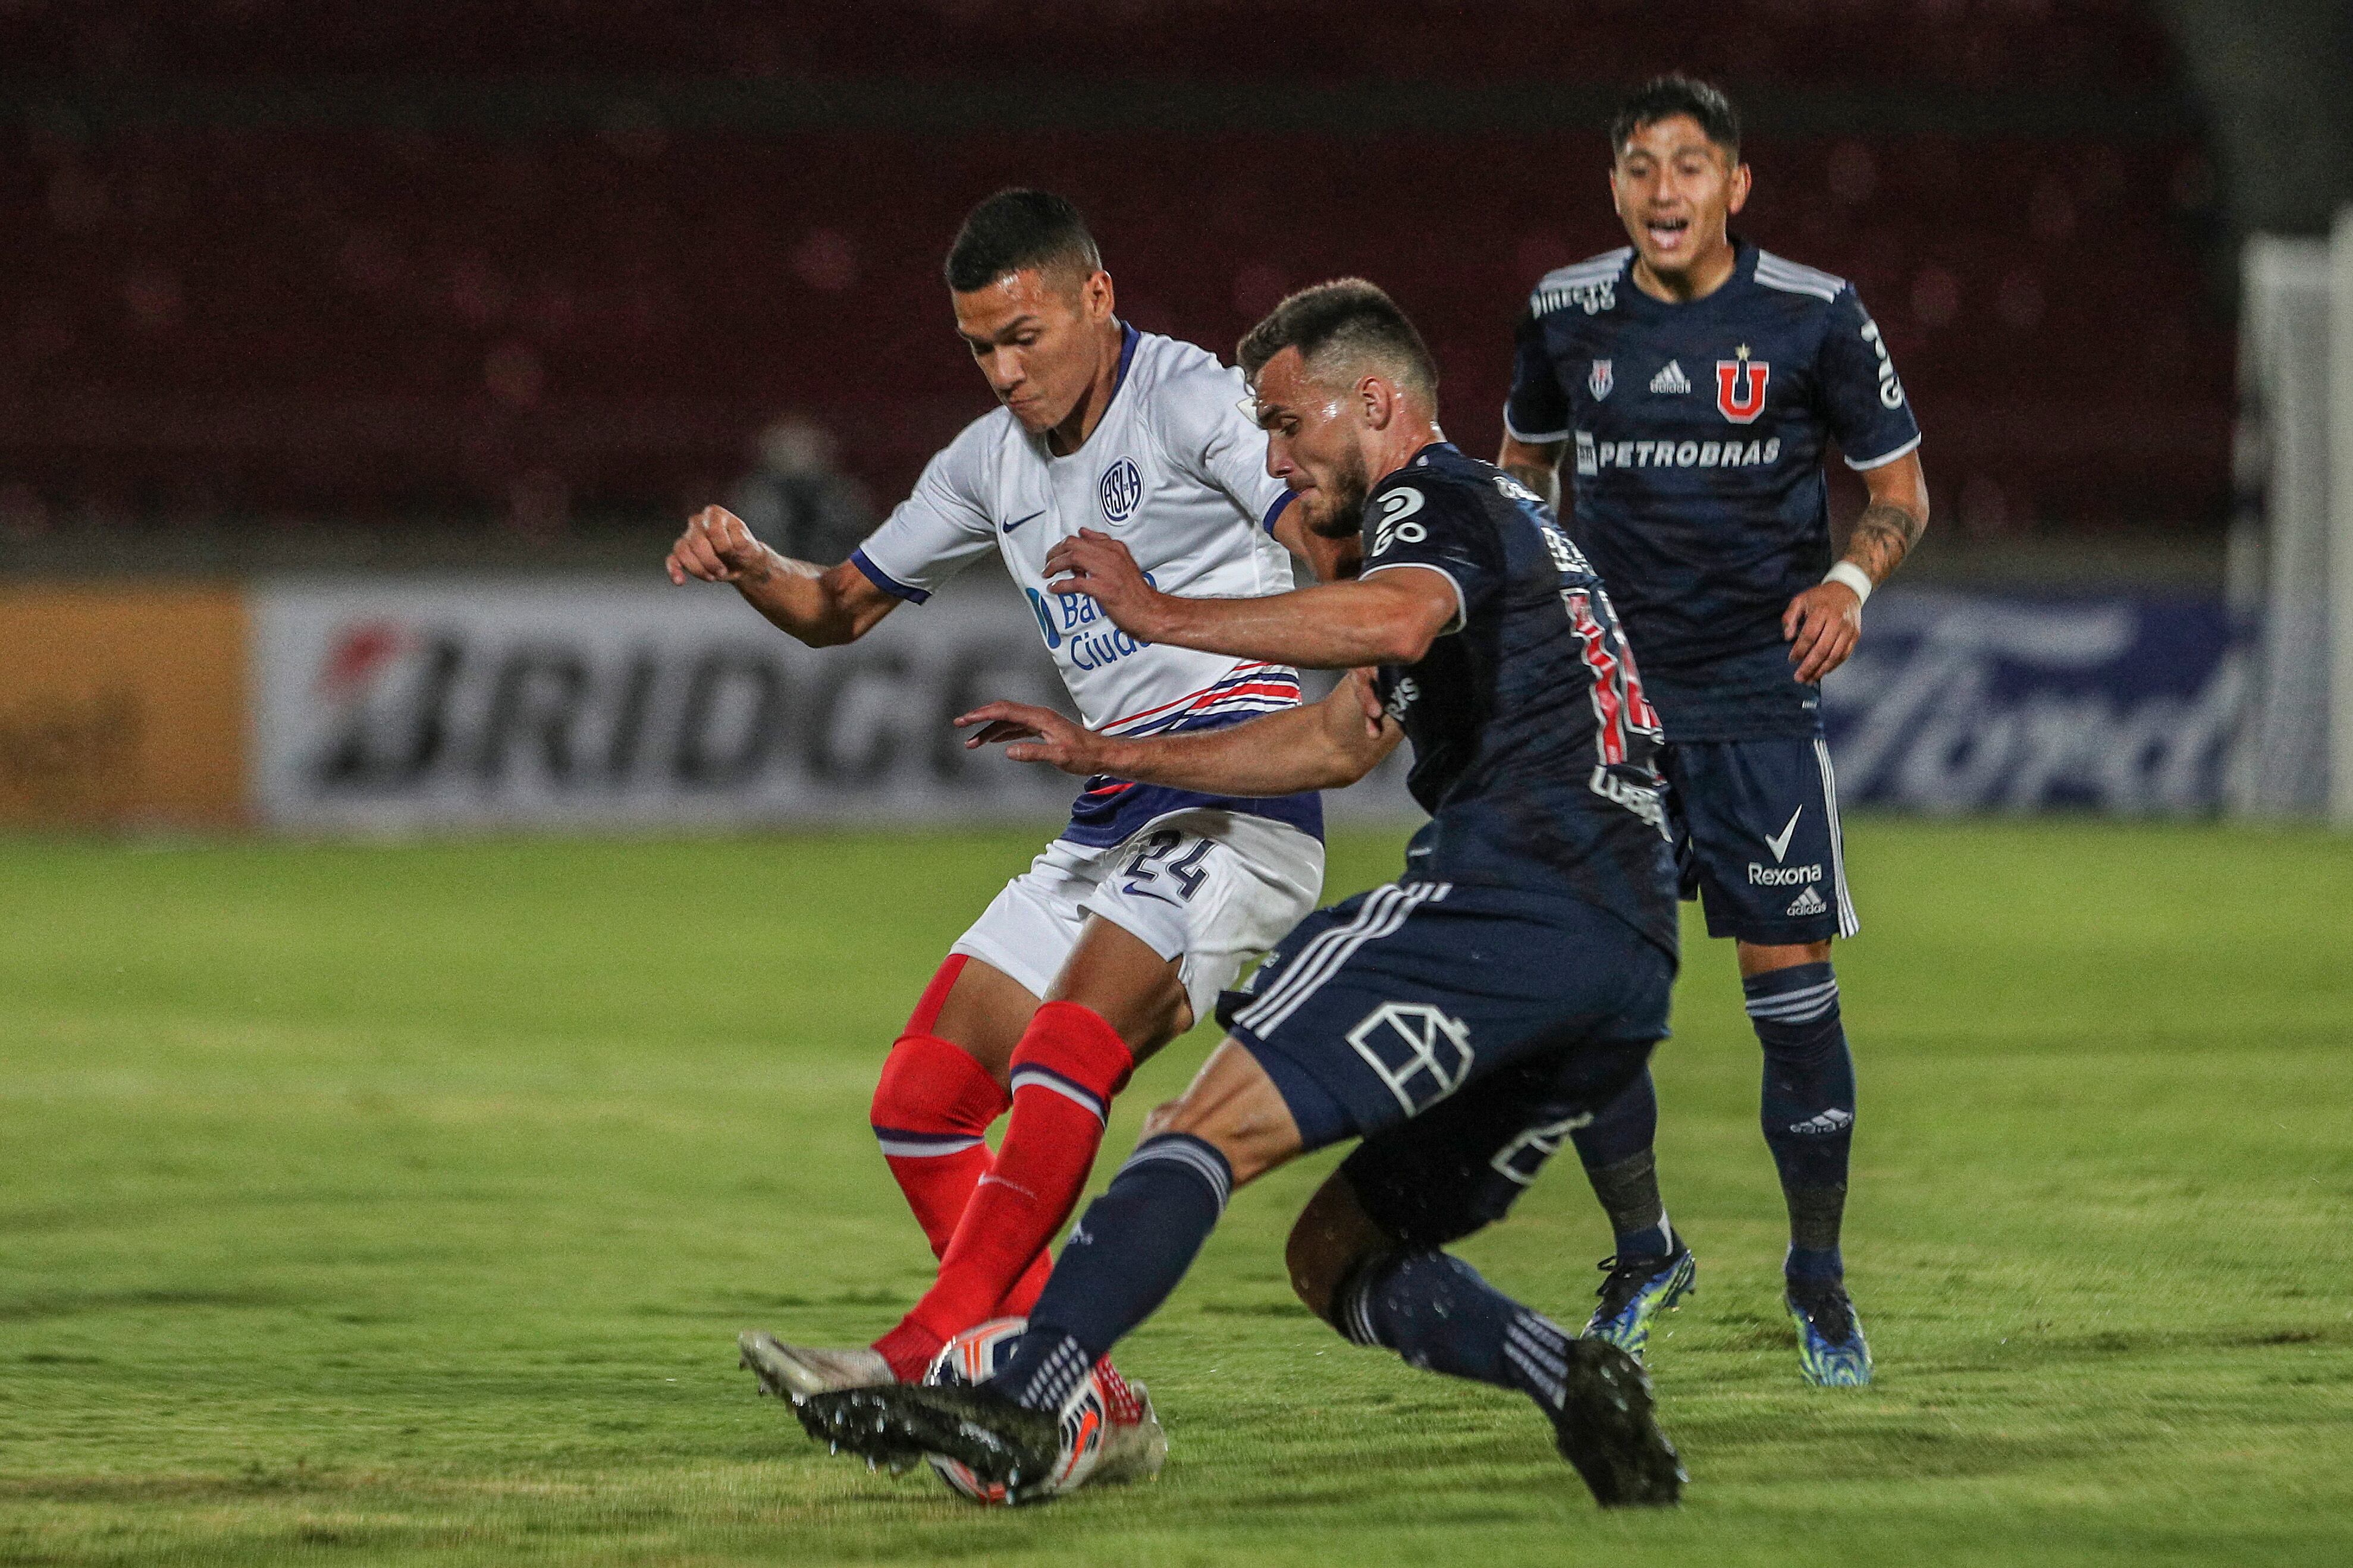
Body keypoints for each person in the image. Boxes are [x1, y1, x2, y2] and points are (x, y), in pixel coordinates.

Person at [796, 279, 1687, 1507]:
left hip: (1510, 896)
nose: (1272, 459)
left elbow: (1395, 616)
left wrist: (1158, 609)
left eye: (1284, 422)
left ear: (1373, 402)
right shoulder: (1513, 528)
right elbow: (1332, 741)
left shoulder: (1430, 498)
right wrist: (1111, 752)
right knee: (1336, 1253)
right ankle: (1572, 1376)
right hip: (1625, 951)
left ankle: (1027, 1396)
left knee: (1195, 1131)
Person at [667, 191, 1346, 1477]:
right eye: (980, 347)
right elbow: (836, 608)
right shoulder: (989, 461)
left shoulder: (1196, 404)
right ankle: (1089, 1399)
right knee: (921, 1103)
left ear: (1098, 296)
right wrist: (756, 563)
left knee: (1064, 1046)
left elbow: (1328, 552)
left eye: (1024, 337)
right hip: (1109, 806)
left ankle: (929, 1347)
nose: (1004, 371)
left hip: (1234, 795)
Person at [1495, 76, 1930, 1385]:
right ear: (1614, 185)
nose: (1662, 189)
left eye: (1689, 165)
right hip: (1612, 706)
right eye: (1639, 165)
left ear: (1736, 184)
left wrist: (1846, 584)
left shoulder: (1814, 313)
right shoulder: (1565, 312)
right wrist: (1533, 595)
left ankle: (1818, 1277)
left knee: (1789, 999)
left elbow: (1899, 490)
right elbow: (1521, 470)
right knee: (1587, 997)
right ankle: (1646, 1251)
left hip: (1753, 700)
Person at [724, 415, 876, 567]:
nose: (795, 453)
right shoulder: (756, 497)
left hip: (830, 572)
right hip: (770, 574)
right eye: (785, 447)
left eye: (804, 445)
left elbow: (855, 547)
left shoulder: (841, 496)